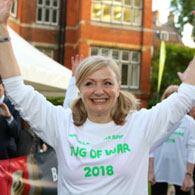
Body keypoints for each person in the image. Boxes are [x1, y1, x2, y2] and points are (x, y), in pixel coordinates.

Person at [1, 1, 195, 194]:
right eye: (89, 83)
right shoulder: (61, 123)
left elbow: (186, 95)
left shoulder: (140, 125)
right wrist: (1, 27)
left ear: (119, 88)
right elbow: (17, 89)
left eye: (107, 83)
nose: (99, 91)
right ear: (79, 88)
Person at [148, 85, 195, 195]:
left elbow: (192, 149)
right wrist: (150, 171)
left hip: (181, 173)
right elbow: (151, 148)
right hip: (158, 172)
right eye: (168, 99)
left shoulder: (190, 122)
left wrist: (189, 175)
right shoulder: (157, 120)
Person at [0, 74, 21, 159]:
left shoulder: (13, 105)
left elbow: (16, 132)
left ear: (3, 87)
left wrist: (9, 117)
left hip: (6, 157)